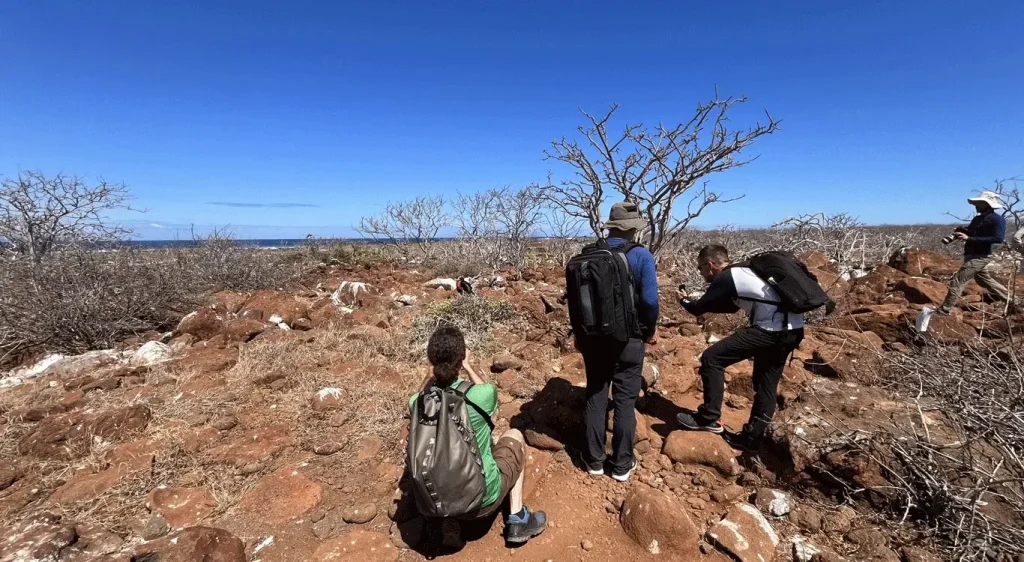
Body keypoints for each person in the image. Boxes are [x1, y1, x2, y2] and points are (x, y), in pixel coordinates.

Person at [408, 325, 547, 544]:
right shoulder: (481, 395)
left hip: (439, 502)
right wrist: (469, 367)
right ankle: (518, 518)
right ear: (461, 358)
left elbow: (415, 396)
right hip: (483, 499)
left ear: (432, 361)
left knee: (443, 458)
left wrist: (428, 377)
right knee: (514, 436)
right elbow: (489, 397)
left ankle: (451, 524)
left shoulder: (420, 405)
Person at [676, 244, 804, 452]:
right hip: (794, 330)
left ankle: (708, 417)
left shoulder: (727, 277)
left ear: (710, 265)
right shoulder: (747, 272)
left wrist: (684, 302)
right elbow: (731, 306)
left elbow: (699, 308)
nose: (701, 273)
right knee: (766, 384)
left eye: (700, 268)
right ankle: (752, 438)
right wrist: (693, 302)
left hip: (769, 331)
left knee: (712, 359)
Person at [577, 202, 659, 482]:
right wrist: (649, 330)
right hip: (629, 339)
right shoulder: (641, 256)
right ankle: (622, 464)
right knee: (625, 400)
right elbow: (649, 300)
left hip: (593, 340)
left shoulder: (589, 255)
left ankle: (594, 461)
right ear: (634, 228)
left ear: (611, 226)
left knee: (596, 394)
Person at [937, 191, 1012, 315]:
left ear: (987, 204)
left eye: (980, 203)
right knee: (985, 280)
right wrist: (963, 232)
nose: (976, 205)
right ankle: (1015, 302)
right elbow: (972, 233)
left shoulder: (997, 219)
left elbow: (998, 238)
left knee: (958, 280)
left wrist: (969, 239)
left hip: (981, 256)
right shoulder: (978, 218)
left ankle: (945, 309)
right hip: (971, 254)